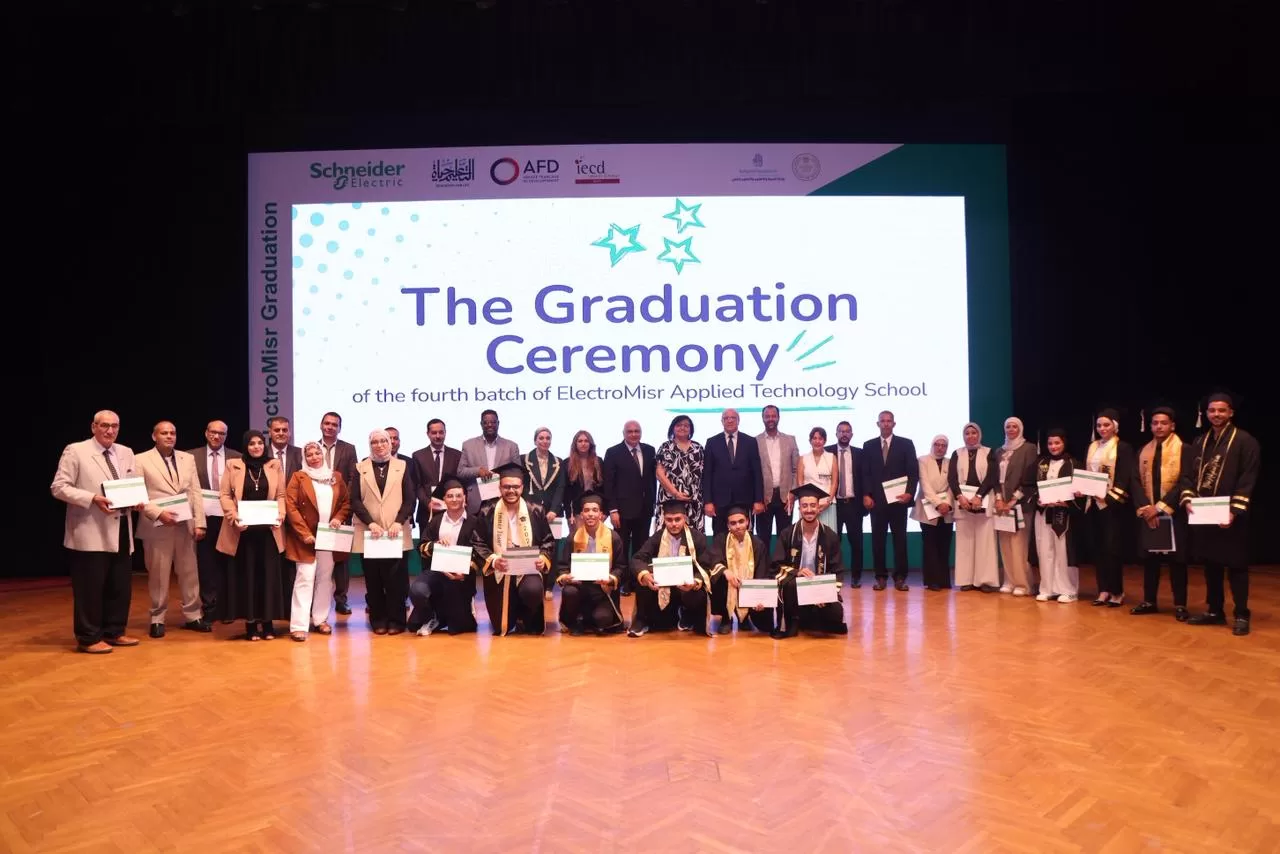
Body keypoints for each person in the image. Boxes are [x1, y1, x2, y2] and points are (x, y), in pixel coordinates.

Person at [50, 410, 143, 654]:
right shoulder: (76, 450)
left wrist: (136, 500)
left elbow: (131, 484)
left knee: (119, 585)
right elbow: (59, 487)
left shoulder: (126, 452)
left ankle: (114, 631)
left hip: (121, 527)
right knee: (90, 588)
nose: (110, 431)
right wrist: (92, 498)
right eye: (104, 425)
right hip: (89, 530)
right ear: (94, 427)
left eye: (115, 426)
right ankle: (88, 637)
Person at [1180, 391, 1260, 636]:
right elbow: (1186, 475)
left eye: (1221, 410)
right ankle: (1215, 611)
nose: (1216, 414)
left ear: (1231, 413)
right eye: (1212, 410)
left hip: (1231, 515)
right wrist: (1188, 499)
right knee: (1211, 564)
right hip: (1205, 513)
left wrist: (1234, 511)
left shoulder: (1245, 441)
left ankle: (1241, 613)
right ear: (1206, 413)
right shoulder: (1199, 442)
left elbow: (1247, 479)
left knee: (1236, 566)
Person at [135, 420, 209, 637]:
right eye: (164, 433)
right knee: (158, 574)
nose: (169, 436)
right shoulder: (140, 459)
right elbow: (138, 495)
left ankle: (194, 615)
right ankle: (157, 618)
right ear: (154, 436)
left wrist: (200, 522)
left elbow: (195, 491)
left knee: (189, 572)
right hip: (156, 526)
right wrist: (158, 513)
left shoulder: (187, 458)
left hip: (185, 525)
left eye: (172, 433)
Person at [216, 429, 287, 641]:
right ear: (245, 446)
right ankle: (251, 625)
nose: (256, 447)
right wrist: (233, 516)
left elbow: (281, 495)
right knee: (247, 577)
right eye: (251, 444)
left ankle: (268, 623)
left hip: (268, 532)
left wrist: (281, 514)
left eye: (259, 443)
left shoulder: (274, 465)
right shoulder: (234, 465)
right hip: (243, 533)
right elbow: (225, 495)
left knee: (267, 578)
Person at [472, 461, 556, 635]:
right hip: (500, 571)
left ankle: (526, 616)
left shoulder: (536, 510)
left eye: (516, 487)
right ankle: (513, 616)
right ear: (499, 488)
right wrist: (493, 561)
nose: (511, 491)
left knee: (532, 590)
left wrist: (542, 558)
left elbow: (548, 540)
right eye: (506, 487)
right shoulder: (487, 511)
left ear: (522, 487)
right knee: (502, 626)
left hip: (528, 570)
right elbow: (477, 541)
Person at [283, 440, 351, 641]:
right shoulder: (298, 477)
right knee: (304, 578)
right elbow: (291, 506)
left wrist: (338, 518)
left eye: (317, 453)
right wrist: (304, 533)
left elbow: (345, 502)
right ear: (304, 458)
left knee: (325, 578)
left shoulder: (335, 476)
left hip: (328, 537)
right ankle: (298, 625)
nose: (314, 457)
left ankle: (320, 619)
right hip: (305, 538)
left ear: (323, 455)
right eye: (309, 454)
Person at [628, 498, 726, 637]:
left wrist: (695, 582)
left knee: (697, 594)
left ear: (684, 518)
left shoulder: (697, 538)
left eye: (677, 519)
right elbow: (637, 559)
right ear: (664, 519)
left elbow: (705, 565)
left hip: (687, 587)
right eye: (669, 520)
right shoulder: (657, 537)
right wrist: (645, 574)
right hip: (663, 587)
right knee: (643, 580)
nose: (674, 524)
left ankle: (689, 615)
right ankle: (642, 620)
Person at [1129, 406, 1190, 620]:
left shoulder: (1184, 449)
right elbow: (1135, 481)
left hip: (1174, 513)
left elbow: (1185, 481)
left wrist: (1161, 507)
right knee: (1150, 560)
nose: (1159, 426)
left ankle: (1180, 604)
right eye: (1155, 423)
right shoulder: (1143, 451)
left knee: (1177, 561)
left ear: (1172, 425)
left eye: (1164, 423)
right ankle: (1149, 601)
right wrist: (1147, 508)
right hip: (1149, 513)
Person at [351, 429, 413, 635]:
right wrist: (370, 523)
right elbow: (355, 500)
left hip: (395, 532)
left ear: (390, 443)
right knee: (373, 579)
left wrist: (398, 522)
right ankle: (378, 619)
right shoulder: (360, 468)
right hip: (371, 533)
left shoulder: (402, 466)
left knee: (396, 580)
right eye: (375, 442)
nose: (379, 445)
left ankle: (397, 620)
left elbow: (410, 499)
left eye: (383, 441)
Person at [769, 484, 848, 638]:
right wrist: (797, 572)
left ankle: (806, 618)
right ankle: (794, 621)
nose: (809, 510)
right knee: (790, 583)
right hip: (794, 589)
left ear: (819, 508)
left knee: (836, 617)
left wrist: (824, 593)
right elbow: (776, 566)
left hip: (818, 587)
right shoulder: (787, 534)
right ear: (799, 508)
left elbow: (837, 570)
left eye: (813, 505)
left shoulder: (830, 536)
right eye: (804, 506)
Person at [1082, 408, 1136, 607]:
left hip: (1113, 505)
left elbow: (1124, 478)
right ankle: (1103, 590)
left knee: (1112, 549)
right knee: (1098, 549)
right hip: (1093, 504)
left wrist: (1107, 497)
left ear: (1115, 426)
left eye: (1106, 425)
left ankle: (1116, 591)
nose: (1102, 428)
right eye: (1099, 425)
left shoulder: (1123, 447)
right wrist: (1083, 489)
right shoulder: (1092, 446)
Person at [411, 480, 479, 636]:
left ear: (465, 498)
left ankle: (463, 608)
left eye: (458, 495)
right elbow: (421, 547)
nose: (454, 499)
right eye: (450, 496)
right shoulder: (436, 521)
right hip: (436, 571)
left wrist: (465, 572)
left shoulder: (474, 522)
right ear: (444, 499)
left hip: (461, 576)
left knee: (458, 627)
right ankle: (431, 617)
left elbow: (479, 552)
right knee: (417, 590)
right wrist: (435, 545)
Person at [188, 420, 240, 621]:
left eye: (222, 433)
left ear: (226, 435)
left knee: (229, 565)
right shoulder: (191, 457)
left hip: (229, 518)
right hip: (204, 518)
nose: (217, 436)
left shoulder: (237, 457)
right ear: (206, 433)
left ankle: (228, 609)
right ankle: (209, 608)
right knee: (206, 565)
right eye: (213, 432)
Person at [554, 492, 626, 635]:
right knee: (569, 592)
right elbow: (563, 565)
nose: (591, 514)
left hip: (602, 591)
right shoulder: (573, 538)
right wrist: (566, 576)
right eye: (586, 510)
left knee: (603, 620)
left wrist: (611, 578)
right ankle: (575, 621)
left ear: (601, 515)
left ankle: (588, 619)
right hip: (579, 589)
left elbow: (621, 567)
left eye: (595, 510)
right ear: (581, 514)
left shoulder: (613, 537)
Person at [860, 410, 917, 591]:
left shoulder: (906, 444)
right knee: (878, 541)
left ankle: (900, 577)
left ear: (894, 423)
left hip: (899, 501)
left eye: (889, 421)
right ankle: (880, 577)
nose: (885, 423)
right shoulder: (868, 445)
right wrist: (866, 494)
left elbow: (913, 472)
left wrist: (909, 493)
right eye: (882, 421)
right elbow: (865, 473)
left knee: (900, 540)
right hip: (876, 502)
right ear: (878, 424)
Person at [1028, 428, 1084, 603]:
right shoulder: (1040, 463)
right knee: (1045, 550)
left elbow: (1081, 491)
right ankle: (1047, 588)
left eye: (1057, 443)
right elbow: (1028, 485)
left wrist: (1069, 502)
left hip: (1063, 515)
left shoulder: (1074, 464)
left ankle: (1068, 590)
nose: (1053, 446)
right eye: (1050, 443)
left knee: (1063, 552)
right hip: (1043, 513)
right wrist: (1038, 499)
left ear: (1064, 443)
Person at [947, 422, 999, 591]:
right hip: (962, 502)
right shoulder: (957, 453)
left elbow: (992, 476)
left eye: (973, 433)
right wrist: (959, 496)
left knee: (985, 543)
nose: (970, 436)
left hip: (983, 500)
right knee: (965, 543)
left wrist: (979, 496)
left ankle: (985, 581)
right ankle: (966, 580)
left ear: (979, 435)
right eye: (967, 433)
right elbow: (952, 478)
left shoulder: (989, 452)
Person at [991, 416, 1037, 597]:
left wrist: (1012, 501)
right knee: (1005, 544)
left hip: (1020, 504)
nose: (1011, 430)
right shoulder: (999, 451)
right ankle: (1009, 581)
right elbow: (994, 478)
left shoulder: (1028, 448)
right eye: (1008, 427)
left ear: (1020, 429)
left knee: (1019, 545)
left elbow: (1029, 479)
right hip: (1001, 504)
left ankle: (1023, 584)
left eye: (1014, 427)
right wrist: (999, 499)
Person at [318, 411, 358, 615]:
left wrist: (344, 503)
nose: (330, 427)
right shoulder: (312, 448)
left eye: (334, 424)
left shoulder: (348, 449)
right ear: (321, 425)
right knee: (318, 556)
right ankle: (317, 599)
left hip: (341, 510)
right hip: (318, 510)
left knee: (341, 558)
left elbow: (352, 478)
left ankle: (341, 599)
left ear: (339, 428)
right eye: (327, 423)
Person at [702, 408, 764, 536]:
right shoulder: (712, 442)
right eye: (726, 418)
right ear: (722, 421)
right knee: (720, 537)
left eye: (733, 418)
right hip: (719, 501)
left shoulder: (750, 441)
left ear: (738, 420)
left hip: (744, 499)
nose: (729, 421)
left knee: (745, 536)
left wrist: (758, 500)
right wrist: (708, 501)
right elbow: (707, 474)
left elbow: (757, 473)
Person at [603, 420, 658, 558]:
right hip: (622, 511)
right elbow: (609, 484)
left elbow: (652, 480)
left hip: (645, 509)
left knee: (642, 547)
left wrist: (653, 502)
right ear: (623, 433)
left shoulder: (650, 450)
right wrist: (613, 510)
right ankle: (622, 573)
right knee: (622, 547)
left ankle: (638, 572)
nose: (634, 434)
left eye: (637, 431)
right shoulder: (613, 452)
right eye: (630, 431)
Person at [524, 425, 565, 601]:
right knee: (534, 546)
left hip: (552, 514)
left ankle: (549, 586)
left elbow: (561, 488)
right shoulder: (525, 460)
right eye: (541, 438)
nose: (545, 441)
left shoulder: (558, 462)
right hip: (531, 512)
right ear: (535, 440)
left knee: (552, 549)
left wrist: (554, 510)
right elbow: (523, 487)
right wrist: (530, 508)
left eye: (548, 438)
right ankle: (535, 582)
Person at [717, 505, 771, 634]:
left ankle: (745, 618)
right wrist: (725, 571)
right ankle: (726, 617)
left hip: (748, 586)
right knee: (717, 576)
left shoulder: (758, 544)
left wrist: (759, 596)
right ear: (728, 525)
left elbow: (762, 571)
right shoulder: (721, 540)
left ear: (747, 522)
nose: (738, 526)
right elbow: (713, 560)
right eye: (733, 523)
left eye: (741, 521)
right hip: (728, 584)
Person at [457, 409, 520, 516]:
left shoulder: (511, 446)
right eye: (486, 422)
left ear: (498, 423)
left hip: (504, 498)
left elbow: (518, 473)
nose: (489, 425)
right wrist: (478, 471)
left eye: (493, 422)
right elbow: (460, 472)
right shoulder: (468, 445)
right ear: (481, 424)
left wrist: (502, 475)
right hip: (476, 501)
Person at [913, 435, 954, 591]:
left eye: (944, 445)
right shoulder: (922, 460)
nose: (940, 448)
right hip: (927, 508)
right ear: (932, 445)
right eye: (937, 444)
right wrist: (938, 503)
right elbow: (925, 485)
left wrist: (947, 504)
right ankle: (932, 581)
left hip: (946, 509)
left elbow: (953, 485)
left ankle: (944, 580)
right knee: (930, 545)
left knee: (944, 544)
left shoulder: (951, 462)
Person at [827, 421, 865, 587]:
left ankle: (856, 577)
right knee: (833, 543)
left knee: (856, 543)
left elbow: (865, 478)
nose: (844, 434)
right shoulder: (827, 452)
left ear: (852, 434)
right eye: (841, 431)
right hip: (833, 505)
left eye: (847, 431)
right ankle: (834, 575)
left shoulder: (860, 453)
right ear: (836, 434)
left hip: (853, 505)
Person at [654, 414, 706, 531]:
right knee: (667, 535)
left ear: (691, 429)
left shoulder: (698, 448)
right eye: (679, 425)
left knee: (694, 536)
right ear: (673, 428)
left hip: (693, 500)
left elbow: (704, 474)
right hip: (670, 499)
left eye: (686, 425)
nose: (682, 428)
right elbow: (659, 473)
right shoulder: (666, 447)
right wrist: (675, 493)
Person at [756, 406, 799, 540]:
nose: (771, 419)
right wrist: (758, 497)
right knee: (763, 539)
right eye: (767, 416)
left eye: (773, 416)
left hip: (786, 498)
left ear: (778, 418)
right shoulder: (755, 441)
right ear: (762, 418)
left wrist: (793, 493)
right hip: (763, 498)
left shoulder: (790, 440)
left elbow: (796, 470)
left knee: (785, 538)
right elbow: (753, 473)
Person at [411, 418, 461, 529]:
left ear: (445, 433)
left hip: (451, 510)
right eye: (434, 433)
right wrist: (427, 503)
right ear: (428, 434)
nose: (438, 436)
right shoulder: (418, 456)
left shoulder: (457, 455)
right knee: (427, 541)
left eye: (441, 432)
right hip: (426, 512)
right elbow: (417, 485)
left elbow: (459, 484)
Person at [563, 429, 606, 530]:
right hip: (577, 512)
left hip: (596, 511)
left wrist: (605, 511)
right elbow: (566, 492)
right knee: (578, 539)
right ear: (575, 444)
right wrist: (569, 515)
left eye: (586, 441)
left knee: (596, 539)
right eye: (580, 441)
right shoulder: (567, 463)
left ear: (590, 444)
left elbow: (604, 488)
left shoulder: (599, 461)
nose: (583, 443)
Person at [797, 426, 838, 531]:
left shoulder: (831, 457)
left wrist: (828, 501)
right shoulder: (803, 458)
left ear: (825, 441)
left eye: (820, 438)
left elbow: (834, 482)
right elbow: (800, 482)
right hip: (808, 506)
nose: (817, 441)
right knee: (807, 536)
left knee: (828, 536)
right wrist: (806, 502)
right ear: (810, 441)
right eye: (814, 438)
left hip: (827, 504)